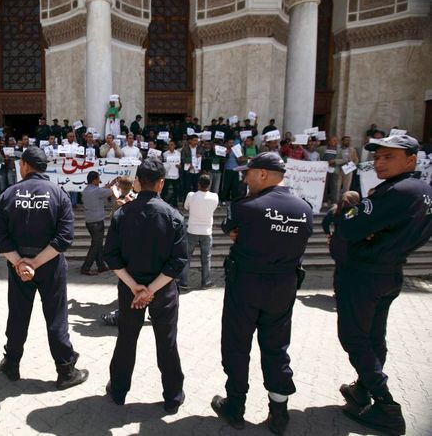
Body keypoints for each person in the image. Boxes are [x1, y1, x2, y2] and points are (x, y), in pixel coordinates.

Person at [331, 135, 432, 436]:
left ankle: (386, 405)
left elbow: (349, 223)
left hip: (364, 274)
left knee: (354, 337)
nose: (379, 162)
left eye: (389, 156)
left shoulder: (395, 191)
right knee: (375, 335)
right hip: (391, 270)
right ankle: (362, 388)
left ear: (411, 160)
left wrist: (356, 211)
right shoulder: (424, 190)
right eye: (377, 157)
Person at [213, 152, 313, 434]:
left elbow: (228, 228)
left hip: (246, 285)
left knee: (236, 344)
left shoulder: (245, 206)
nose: (245, 178)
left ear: (264, 174)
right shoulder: (304, 208)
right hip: (283, 287)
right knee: (277, 347)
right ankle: (279, 412)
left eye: (249, 173)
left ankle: (235, 406)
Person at [0, 147, 88, 390]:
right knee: (56, 316)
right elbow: (65, 238)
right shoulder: (59, 194)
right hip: (50, 264)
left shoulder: (8, 194)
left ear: (24, 164)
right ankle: (65, 370)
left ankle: (11, 363)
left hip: (19, 266)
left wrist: (21, 263)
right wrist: (34, 263)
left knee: (17, 315)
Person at [103, 157, 188, 414]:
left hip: (131, 289)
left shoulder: (122, 214)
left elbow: (111, 256)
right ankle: (172, 396)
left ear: (138, 182)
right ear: (161, 184)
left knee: (127, 339)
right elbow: (178, 262)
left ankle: (118, 390)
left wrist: (136, 287)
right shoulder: (173, 216)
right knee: (167, 342)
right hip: (162, 291)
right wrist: (150, 289)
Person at [180, 174, 219, 290]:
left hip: (192, 230)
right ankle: (206, 282)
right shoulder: (214, 197)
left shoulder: (191, 195)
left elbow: (186, 207)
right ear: (210, 184)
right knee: (206, 258)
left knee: (187, 257)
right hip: (207, 231)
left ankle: (184, 281)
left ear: (198, 183)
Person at [80, 171, 115, 276]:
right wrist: (117, 185)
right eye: (98, 179)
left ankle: (101, 266)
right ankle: (86, 268)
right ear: (94, 180)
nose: (99, 181)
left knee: (98, 244)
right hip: (96, 223)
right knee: (96, 246)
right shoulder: (97, 191)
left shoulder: (86, 190)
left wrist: (110, 184)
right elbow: (110, 192)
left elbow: (102, 190)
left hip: (90, 221)